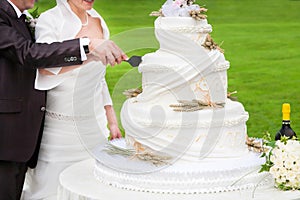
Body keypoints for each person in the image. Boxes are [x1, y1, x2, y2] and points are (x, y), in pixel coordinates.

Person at [0, 0, 126, 199]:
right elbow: (41, 66)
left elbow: (98, 78)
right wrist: (90, 52)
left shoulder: (98, 20)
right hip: (59, 129)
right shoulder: (51, 20)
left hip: (94, 128)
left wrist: (111, 120)